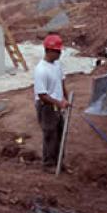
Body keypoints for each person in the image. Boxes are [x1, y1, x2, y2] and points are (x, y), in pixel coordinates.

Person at [33, 34, 70, 170]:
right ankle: (48, 164)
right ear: (49, 50)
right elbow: (42, 95)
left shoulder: (57, 65)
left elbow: (62, 82)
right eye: (57, 51)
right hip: (46, 107)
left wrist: (65, 98)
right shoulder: (41, 70)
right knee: (50, 134)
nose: (60, 54)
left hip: (57, 104)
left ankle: (59, 162)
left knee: (60, 133)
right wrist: (58, 103)